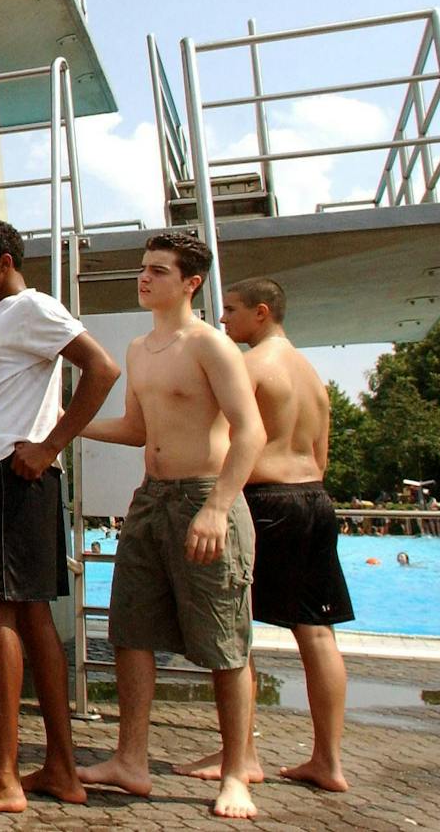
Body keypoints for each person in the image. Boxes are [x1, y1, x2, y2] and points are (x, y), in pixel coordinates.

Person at [0, 219, 120, 815]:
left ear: (5, 262)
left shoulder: (34, 307)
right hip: (4, 476)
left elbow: (102, 369)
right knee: (31, 615)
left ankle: (1, 777)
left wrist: (51, 446)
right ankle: (61, 767)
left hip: (13, 474)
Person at [77, 233, 265, 821]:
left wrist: (217, 508)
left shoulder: (211, 345)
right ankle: (130, 760)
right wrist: (66, 424)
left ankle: (236, 773)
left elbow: (250, 431)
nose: (144, 278)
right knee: (130, 630)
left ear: (190, 283)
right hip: (150, 499)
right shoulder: (139, 348)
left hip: (205, 496)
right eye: (143, 268)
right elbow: (136, 428)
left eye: (158, 271)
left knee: (224, 642)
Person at [178, 276, 352, 794]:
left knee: (235, 629)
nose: (222, 318)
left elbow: (231, 440)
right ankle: (328, 761)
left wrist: (215, 502)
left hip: (265, 501)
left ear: (261, 312)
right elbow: (321, 455)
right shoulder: (312, 376)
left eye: (231, 310)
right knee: (316, 631)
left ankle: (243, 754)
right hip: (315, 500)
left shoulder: (249, 366)